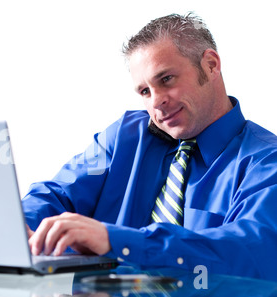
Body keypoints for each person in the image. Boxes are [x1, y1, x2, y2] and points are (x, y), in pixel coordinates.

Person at [22, 13, 277, 281]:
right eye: (145, 91)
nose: (156, 102)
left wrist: (114, 240)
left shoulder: (266, 162)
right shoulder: (124, 136)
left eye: (166, 79)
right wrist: (19, 229)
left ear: (211, 65)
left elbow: (250, 252)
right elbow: (56, 194)